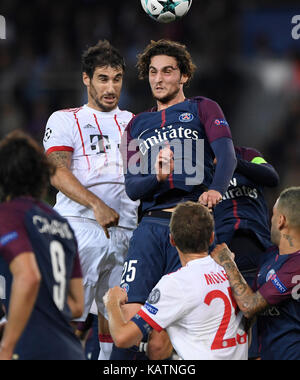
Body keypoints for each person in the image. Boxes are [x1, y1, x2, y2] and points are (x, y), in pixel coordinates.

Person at [115, 39, 237, 359]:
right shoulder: (135, 126)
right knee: (135, 319)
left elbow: (227, 156)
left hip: (193, 227)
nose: (159, 78)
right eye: (153, 72)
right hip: (152, 226)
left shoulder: (203, 107)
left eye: (167, 71)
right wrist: (156, 176)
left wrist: (217, 189)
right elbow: (132, 188)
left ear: (183, 75)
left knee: (183, 329)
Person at [43, 40, 139, 360]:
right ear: (86, 78)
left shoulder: (135, 122)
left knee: (116, 320)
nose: (110, 87)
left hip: (126, 231)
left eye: (116, 79)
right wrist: (96, 204)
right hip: (80, 227)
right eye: (102, 78)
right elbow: (57, 172)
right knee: (71, 321)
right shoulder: (65, 119)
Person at [104, 202, 248, 360]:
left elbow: (122, 338)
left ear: (172, 240)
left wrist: (112, 303)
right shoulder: (230, 271)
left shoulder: (176, 284)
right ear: (212, 237)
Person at [0, 130, 85, 360]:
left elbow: (28, 277)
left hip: (30, 348)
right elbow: (77, 306)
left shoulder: (8, 215)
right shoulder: (61, 224)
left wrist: (7, 346)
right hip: (71, 351)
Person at [211, 186, 300, 360]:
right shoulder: (269, 256)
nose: (270, 221)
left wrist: (228, 262)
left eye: (273, 215)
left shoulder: (297, 265)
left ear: (281, 220)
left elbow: (250, 305)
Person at [213, 146, 279, 358]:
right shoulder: (201, 164)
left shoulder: (248, 155)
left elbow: (271, 177)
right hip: (223, 253)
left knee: (261, 330)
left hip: (259, 248)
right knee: (231, 332)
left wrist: (232, 162)